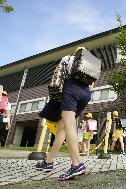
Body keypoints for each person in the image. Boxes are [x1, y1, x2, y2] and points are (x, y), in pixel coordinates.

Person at [35, 47, 97, 181]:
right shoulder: (91, 66)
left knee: (69, 126)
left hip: (71, 90)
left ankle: (76, 165)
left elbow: (57, 74)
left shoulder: (68, 58)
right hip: (86, 94)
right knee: (62, 127)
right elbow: (93, 86)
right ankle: (48, 162)